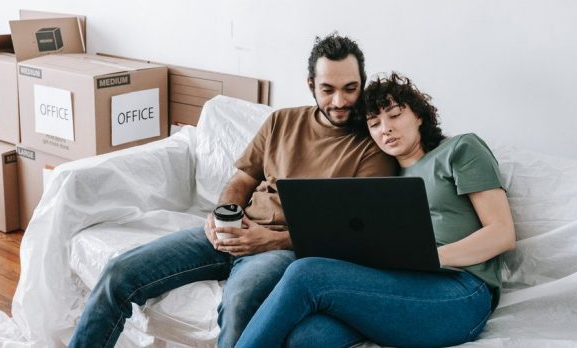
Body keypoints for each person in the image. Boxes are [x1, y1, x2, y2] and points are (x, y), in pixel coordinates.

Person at [68, 34, 397, 348]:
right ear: (310, 85)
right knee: (119, 273)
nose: (339, 101)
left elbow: (354, 231)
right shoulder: (281, 121)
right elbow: (242, 178)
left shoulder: (373, 148)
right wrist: (223, 214)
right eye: (327, 89)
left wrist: (272, 240)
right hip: (233, 231)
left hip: (282, 249)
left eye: (350, 88)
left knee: (239, 303)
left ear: (362, 84)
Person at [235, 72, 517, 348]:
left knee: (305, 273)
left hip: (461, 291)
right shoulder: (383, 181)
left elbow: (502, 233)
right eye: (374, 123)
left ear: (419, 115)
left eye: (395, 115)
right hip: (398, 286)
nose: (386, 128)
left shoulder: (460, 149)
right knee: (307, 338)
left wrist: (427, 258)